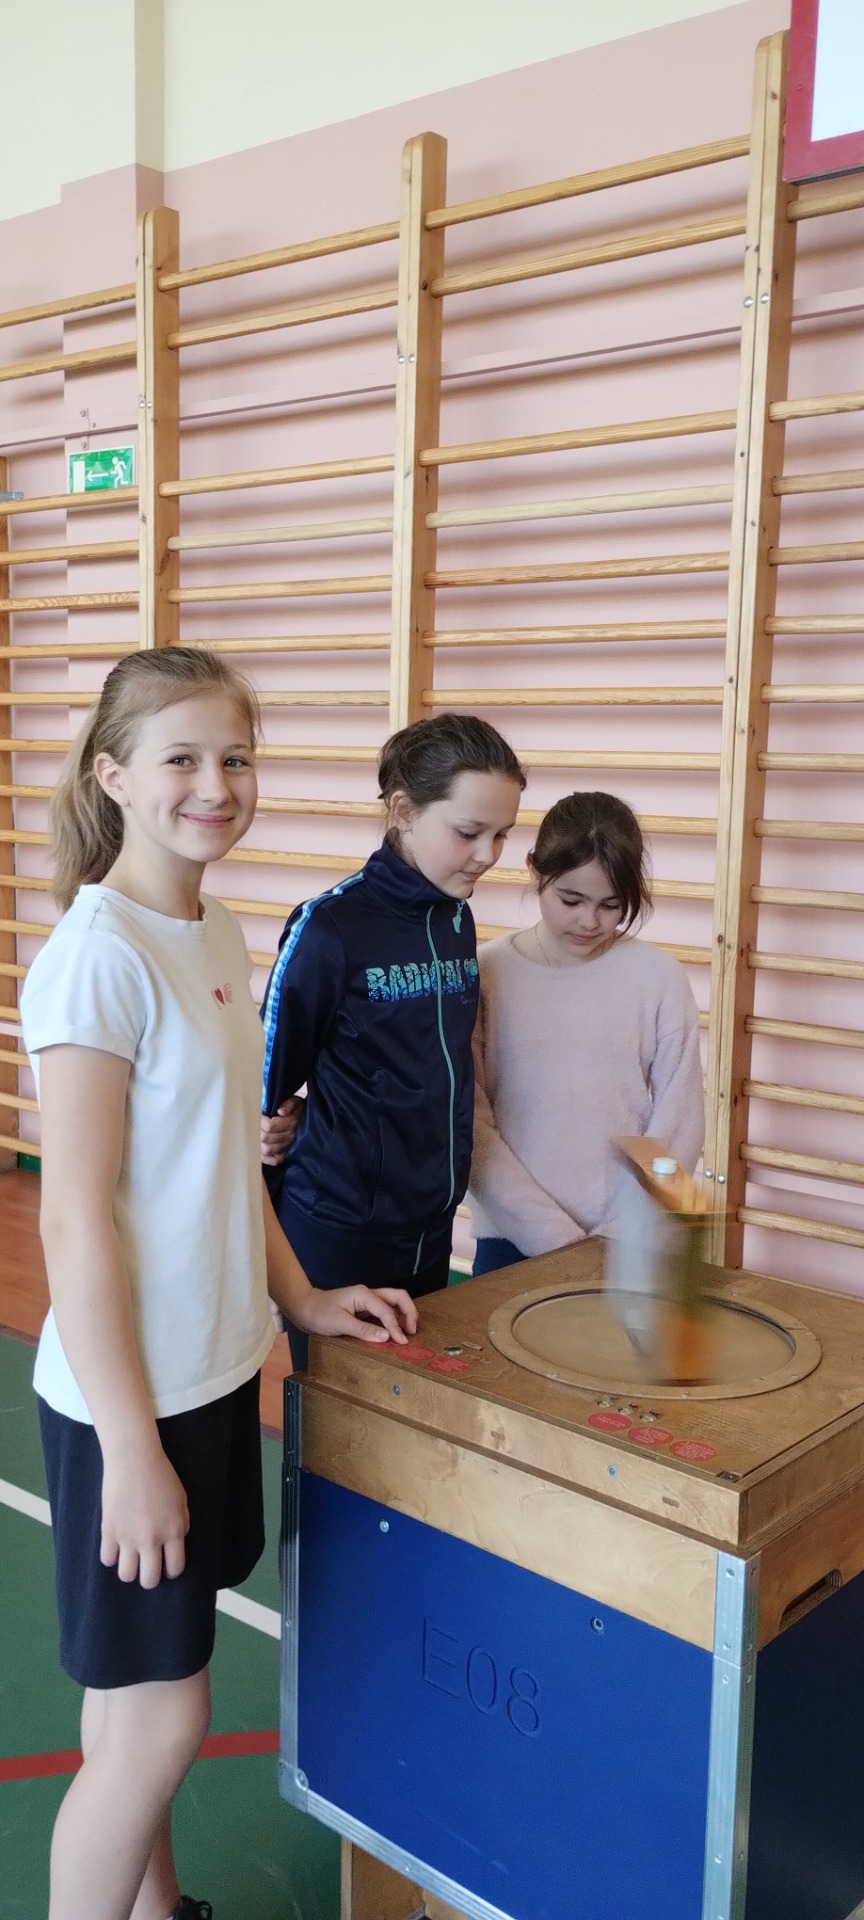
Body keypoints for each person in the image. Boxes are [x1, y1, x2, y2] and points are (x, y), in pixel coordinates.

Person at [20, 646, 416, 1920]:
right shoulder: (98, 956)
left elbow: (220, 1162)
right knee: (162, 1725)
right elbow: (75, 1218)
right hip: (132, 1401)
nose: (214, 784)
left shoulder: (217, 927)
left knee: (131, 1702)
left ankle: (156, 1906)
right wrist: (132, 1450)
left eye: (234, 757)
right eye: (181, 758)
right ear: (113, 777)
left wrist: (299, 1298)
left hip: (209, 1369)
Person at [260, 713, 526, 1349]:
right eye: (468, 832)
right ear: (404, 811)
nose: (488, 855)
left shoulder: (456, 919)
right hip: (337, 1228)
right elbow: (265, 1088)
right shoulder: (328, 928)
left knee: (409, 1400)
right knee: (333, 1408)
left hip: (430, 1224)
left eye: (502, 835)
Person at [468, 789, 704, 1274]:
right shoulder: (486, 973)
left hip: (631, 1242)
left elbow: (679, 1124)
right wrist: (558, 1242)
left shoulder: (658, 977)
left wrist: (618, 1234)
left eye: (611, 905)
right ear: (534, 871)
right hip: (512, 1240)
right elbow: (472, 1125)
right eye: (571, 900)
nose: (589, 922)